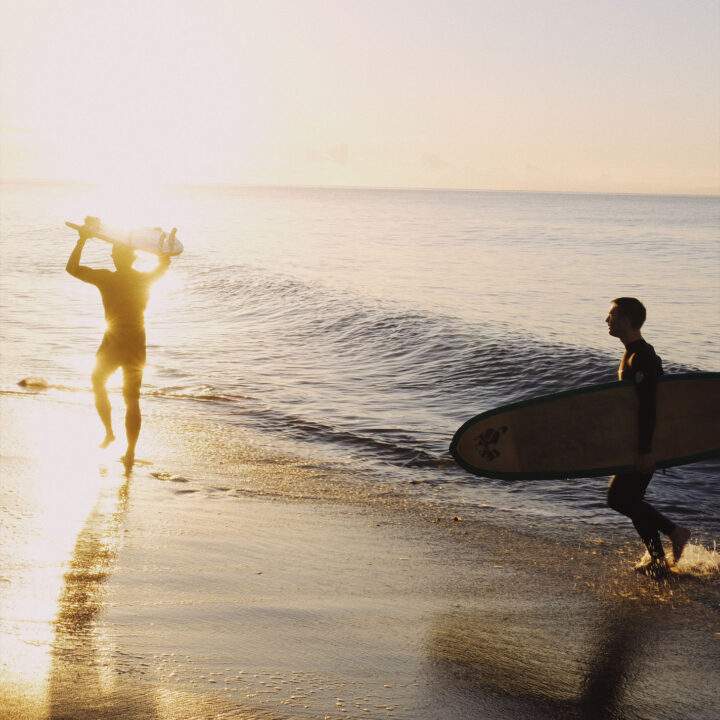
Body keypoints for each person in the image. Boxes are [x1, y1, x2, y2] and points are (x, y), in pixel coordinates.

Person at [66, 217, 170, 470]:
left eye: (114, 251)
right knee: (131, 398)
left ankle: (110, 433)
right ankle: (130, 451)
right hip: (136, 341)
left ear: (114, 257)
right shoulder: (145, 279)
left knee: (98, 383)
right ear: (133, 258)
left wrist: (82, 239)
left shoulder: (106, 278)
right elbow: (164, 262)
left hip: (112, 340)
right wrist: (161, 242)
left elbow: (72, 268)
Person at [605, 297, 690, 579]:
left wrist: (645, 451)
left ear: (626, 320)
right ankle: (657, 559)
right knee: (629, 499)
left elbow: (649, 406)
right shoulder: (633, 352)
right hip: (638, 442)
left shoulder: (642, 356)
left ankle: (675, 532)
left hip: (646, 443)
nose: (607, 320)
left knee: (619, 497)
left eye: (612, 315)